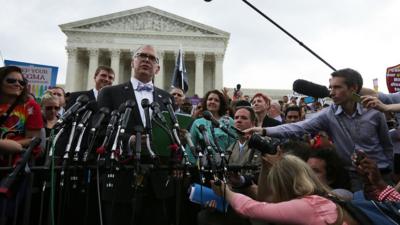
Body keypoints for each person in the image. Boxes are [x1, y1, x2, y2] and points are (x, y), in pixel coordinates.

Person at [244, 68, 393, 191]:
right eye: (330, 88)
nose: (331, 92)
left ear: (353, 88)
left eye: (337, 87)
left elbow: (387, 145)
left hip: (382, 174)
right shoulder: (328, 115)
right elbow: (297, 127)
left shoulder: (374, 110)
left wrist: (390, 172)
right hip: (353, 177)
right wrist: (264, 131)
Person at [97, 45, 176, 225]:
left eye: (152, 58)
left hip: (157, 181)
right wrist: (130, 141)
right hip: (121, 177)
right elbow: (100, 132)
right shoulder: (109, 93)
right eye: (142, 55)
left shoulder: (166, 98)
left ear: (158, 68)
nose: (146, 60)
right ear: (133, 62)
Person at [211, 154, 354, 225]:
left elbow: (250, 208)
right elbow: (265, 201)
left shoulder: (307, 206)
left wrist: (226, 191)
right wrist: (266, 167)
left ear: (282, 185)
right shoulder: (322, 198)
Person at [0, 66, 43, 149]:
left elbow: (33, 139)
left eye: (22, 82)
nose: (17, 84)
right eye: (11, 81)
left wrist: (6, 145)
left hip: (13, 159)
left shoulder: (31, 106)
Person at [188, 89, 235, 164]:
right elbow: (190, 146)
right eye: (210, 99)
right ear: (206, 102)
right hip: (203, 165)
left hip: (225, 164)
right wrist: (191, 166)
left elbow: (233, 145)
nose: (212, 101)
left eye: (216, 100)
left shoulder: (229, 121)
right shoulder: (197, 122)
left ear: (221, 104)